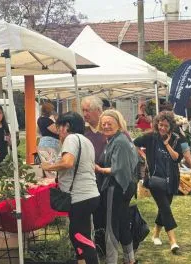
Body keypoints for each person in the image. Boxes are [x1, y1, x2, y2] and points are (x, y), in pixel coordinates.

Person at [41, 112, 100, 264]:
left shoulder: (71, 138)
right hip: (88, 194)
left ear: (66, 126)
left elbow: (68, 163)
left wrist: (49, 166)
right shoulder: (85, 140)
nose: (58, 130)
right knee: (77, 235)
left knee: (81, 237)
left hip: (80, 196)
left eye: (59, 126)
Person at [133, 111, 183, 254]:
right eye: (160, 125)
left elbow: (177, 158)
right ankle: (173, 242)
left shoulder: (176, 139)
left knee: (164, 208)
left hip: (171, 180)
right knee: (166, 208)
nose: (162, 128)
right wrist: (143, 156)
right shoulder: (151, 137)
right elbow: (134, 143)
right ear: (156, 124)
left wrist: (167, 145)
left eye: (165, 126)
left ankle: (155, 234)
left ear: (170, 126)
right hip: (155, 180)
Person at [95, 109, 138, 264]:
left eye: (110, 123)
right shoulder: (117, 139)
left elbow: (118, 168)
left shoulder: (119, 141)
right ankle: (130, 259)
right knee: (123, 222)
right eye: (104, 123)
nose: (106, 126)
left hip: (117, 187)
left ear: (119, 124)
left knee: (111, 226)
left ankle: (112, 261)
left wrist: (99, 169)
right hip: (123, 187)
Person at [81, 96, 107, 257]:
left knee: (107, 215)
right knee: (95, 215)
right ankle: (98, 246)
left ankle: (106, 245)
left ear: (98, 111)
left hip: (108, 179)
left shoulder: (108, 128)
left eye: (87, 110)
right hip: (90, 181)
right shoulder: (83, 132)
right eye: (83, 110)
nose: (85, 114)